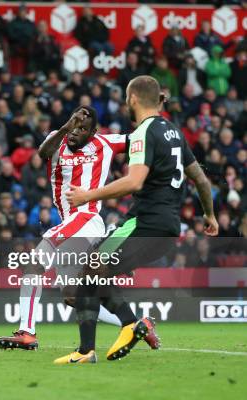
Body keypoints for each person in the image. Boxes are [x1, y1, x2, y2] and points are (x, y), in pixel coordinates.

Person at [62, 76, 218, 364]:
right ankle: (128, 327)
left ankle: (95, 345)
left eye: (125, 97)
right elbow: (201, 181)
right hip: (169, 228)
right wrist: (209, 215)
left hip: (144, 222)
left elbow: (134, 182)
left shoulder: (144, 132)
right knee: (95, 273)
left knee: (88, 269)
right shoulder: (174, 131)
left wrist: (87, 195)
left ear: (132, 98)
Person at [0, 106, 126, 351]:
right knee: (72, 295)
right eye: (75, 125)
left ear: (93, 132)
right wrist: (66, 127)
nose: (76, 132)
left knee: (35, 261)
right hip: (71, 223)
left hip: (87, 218)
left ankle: (27, 332)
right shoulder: (57, 138)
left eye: (83, 129)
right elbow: (42, 152)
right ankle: (134, 323)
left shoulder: (105, 142)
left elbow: (141, 140)